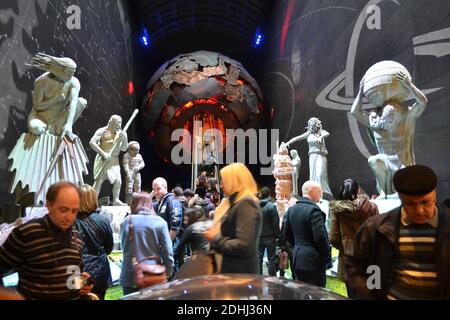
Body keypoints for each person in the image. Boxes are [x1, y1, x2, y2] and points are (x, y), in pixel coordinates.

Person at [345, 165, 450, 299]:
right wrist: (370, 295)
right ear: (400, 197)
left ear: (434, 195)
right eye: (410, 204)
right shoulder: (376, 228)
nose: (419, 211)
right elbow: (357, 264)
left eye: (425, 202)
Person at [8, 53, 88, 204]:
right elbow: (37, 105)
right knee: (37, 128)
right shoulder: (42, 81)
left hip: (58, 120)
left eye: (73, 73)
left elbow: (72, 105)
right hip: (41, 117)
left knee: (82, 102)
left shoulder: (73, 82)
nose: (72, 76)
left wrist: (69, 124)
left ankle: (61, 129)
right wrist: (55, 99)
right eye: (69, 72)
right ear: (60, 70)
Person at [0, 182, 93, 299]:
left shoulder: (76, 236)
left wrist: (83, 284)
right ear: (49, 205)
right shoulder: (28, 233)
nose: (69, 217)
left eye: (74, 211)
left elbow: (71, 279)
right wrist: (10, 296)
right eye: (63, 210)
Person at [350, 73, 428, 198]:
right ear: (382, 117)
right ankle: (384, 193)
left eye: (394, 118)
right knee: (373, 160)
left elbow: (423, 102)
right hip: (386, 162)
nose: (391, 121)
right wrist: (360, 93)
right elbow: (354, 112)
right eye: (388, 119)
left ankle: (396, 194)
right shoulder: (374, 122)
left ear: (398, 116)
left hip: (402, 162)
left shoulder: (406, 118)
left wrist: (409, 85)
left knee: (404, 173)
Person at [204, 163, 262, 274]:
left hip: (240, 277)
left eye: (224, 180)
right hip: (232, 274)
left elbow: (244, 246)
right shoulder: (234, 204)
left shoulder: (246, 204)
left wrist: (215, 238)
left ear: (234, 181)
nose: (221, 185)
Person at [328, 179, 379, 295]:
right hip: (370, 257)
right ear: (358, 190)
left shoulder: (337, 210)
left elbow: (333, 238)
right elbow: (379, 232)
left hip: (348, 258)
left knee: (352, 293)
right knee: (374, 292)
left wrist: (345, 246)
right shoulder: (372, 207)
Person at [120, 192, 173, 295]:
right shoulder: (160, 222)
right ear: (150, 204)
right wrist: (168, 272)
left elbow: (124, 247)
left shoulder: (127, 221)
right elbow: (168, 251)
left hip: (130, 274)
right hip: (153, 275)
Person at [283, 180, 332, 287]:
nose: (321, 194)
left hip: (297, 258)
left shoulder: (291, 210)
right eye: (319, 191)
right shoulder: (314, 210)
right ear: (311, 192)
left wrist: (297, 246)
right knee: (316, 294)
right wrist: (326, 256)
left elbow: (286, 234)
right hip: (313, 261)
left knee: (301, 293)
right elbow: (320, 237)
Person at [74, 184, 114, 299]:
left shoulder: (70, 220)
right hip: (100, 271)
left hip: (78, 272)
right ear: (93, 198)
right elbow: (109, 249)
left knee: (77, 296)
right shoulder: (103, 220)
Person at [281, 117, 333, 198]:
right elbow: (297, 138)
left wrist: (320, 137)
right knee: (313, 176)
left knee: (319, 174)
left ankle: (322, 193)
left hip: (320, 155)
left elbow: (327, 133)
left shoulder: (321, 132)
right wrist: (287, 143)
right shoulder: (309, 133)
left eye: (312, 125)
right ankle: (315, 193)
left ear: (316, 125)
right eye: (309, 125)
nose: (310, 127)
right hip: (312, 156)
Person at [90, 115, 128, 205]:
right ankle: (92, 201)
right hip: (103, 159)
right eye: (117, 124)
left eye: (120, 124)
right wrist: (103, 153)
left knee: (118, 181)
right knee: (99, 181)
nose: (119, 126)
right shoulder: (102, 131)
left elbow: (123, 149)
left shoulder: (121, 133)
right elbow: (92, 142)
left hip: (114, 160)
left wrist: (124, 139)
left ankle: (116, 200)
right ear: (111, 123)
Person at [152, 177, 183, 272]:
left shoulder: (172, 201)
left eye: (158, 189)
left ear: (165, 187)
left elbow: (175, 227)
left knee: (172, 276)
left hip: (171, 246)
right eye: (154, 189)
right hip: (163, 246)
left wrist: (167, 245)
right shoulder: (160, 202)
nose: (156, 192)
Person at [257, 187, 280, 276]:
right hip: (270, 237)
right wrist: (277, 235)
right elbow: (275, 223)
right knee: (271, 258)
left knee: (259, 258)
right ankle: (272, 278)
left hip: (258, 236)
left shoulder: (256, 206)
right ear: (269, 194)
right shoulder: (272, 206)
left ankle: (258, 277)